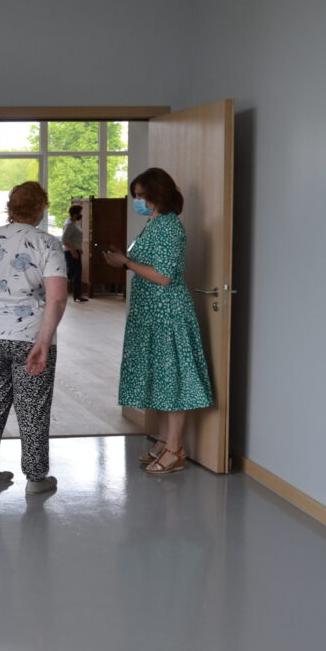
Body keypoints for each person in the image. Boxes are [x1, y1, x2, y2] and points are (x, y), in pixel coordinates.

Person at [102, 168, 213, 474]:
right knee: (158, 379)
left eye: (141, 195)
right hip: (150, 313)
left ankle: (175, 449)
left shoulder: (169, 227)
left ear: (157, 194)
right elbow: (148, 265)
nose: (137, 201)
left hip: (167, 314)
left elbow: (163, 276)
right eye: (135, 195)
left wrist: (126, 263)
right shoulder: (153, 224)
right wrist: (124, 260)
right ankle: (165, 440)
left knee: (171, 379)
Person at [0, 181, 68, 494]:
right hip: (30, 334)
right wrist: (44, 342)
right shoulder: (47, 243)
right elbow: (57, 297)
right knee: (33, 406)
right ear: (41, 208)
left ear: (11, 207)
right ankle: (36, 478)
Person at [61, 204, 87, 302]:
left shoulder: (73, 223)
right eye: (80, 213)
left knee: (75, 274)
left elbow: (73, 239)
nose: (81, 215)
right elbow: (64, 240)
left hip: (75, 251)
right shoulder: (70, 225)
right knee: (73, 274)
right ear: (75, 214)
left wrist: (79, 248)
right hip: (71, 253)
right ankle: (60, 291)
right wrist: (73, 251)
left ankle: (77, 295)